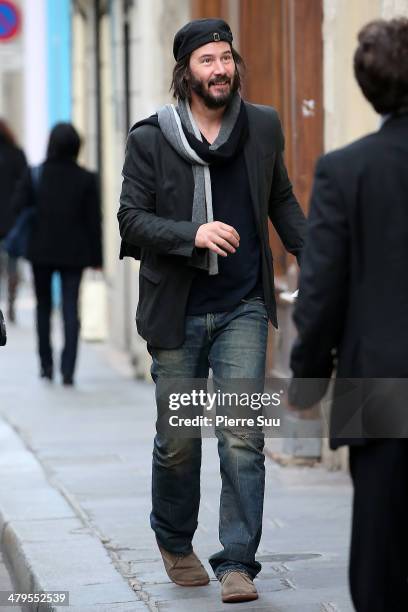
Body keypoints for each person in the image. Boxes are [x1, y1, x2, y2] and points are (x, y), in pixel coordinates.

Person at [118, 18, 305, 604]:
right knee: (178, 439)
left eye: (226, 58)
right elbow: (130, 220)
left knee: (241, 435)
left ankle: (238, 561)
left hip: (243, 304)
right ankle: (175, 539)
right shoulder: (152, 137)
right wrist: (192, 234)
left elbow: (280, 201)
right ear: (186, 72)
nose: (220, 69)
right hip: (177, 308)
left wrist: (321, 258)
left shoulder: (264, 126)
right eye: (207, 61)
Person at [288, 18, 408, 612]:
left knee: (381, 551)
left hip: (375, 380)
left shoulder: (346, 169)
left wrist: (306, 379)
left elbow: (322, 289)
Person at [13, 123, 102, 385]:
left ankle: (46, 365)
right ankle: (68, 370)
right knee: (70, 309)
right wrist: (97, 259)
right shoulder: (86, 178)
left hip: (40, 251)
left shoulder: (36, 174)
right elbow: (93, 222)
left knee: (43, 307)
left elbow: (18, 206)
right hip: (75, 253)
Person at [0, 119, 27, 322]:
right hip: (11, 220)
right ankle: (10, 302)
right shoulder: (16, 154)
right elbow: (26, 185)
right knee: (12, 264)